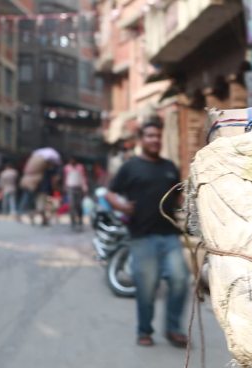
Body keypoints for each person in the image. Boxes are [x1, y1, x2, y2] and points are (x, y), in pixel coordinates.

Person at [106, 120, 190, 348]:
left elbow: (179, 197)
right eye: (150, 136)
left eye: (157, 136)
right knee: (147, 286)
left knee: (181, 279)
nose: (154, 139)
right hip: (142, 236)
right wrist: (121, 206)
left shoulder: (170, 167)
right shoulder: (130, 166)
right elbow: (110, 193)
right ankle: (144, 330)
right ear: (141, 139)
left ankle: (173, 329)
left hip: (170, 235)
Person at [63, 157, 88, 230]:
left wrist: (85, 187)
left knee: (79, 205)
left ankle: (80, 220)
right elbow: (66, 178)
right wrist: (65, 187)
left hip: (79, 188)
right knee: (72, 205)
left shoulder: (80, 167)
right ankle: (73, 221)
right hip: (71, 188)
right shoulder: (67, 168)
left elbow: (83, 177)